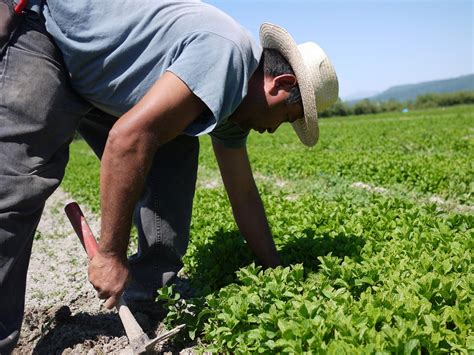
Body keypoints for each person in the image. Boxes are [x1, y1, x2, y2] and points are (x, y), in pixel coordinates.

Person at [0, 0, 338, 352]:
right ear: (279, 84)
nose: (274, 129)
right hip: (49, 35)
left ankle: (145, 296)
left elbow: (244, 197)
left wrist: (276, 273)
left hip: (105, 75)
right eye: (286, 117)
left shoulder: (235, 109)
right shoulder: (226, 57)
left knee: (175, 144)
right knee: (17, 186)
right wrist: (111, 255)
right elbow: (127, 140)